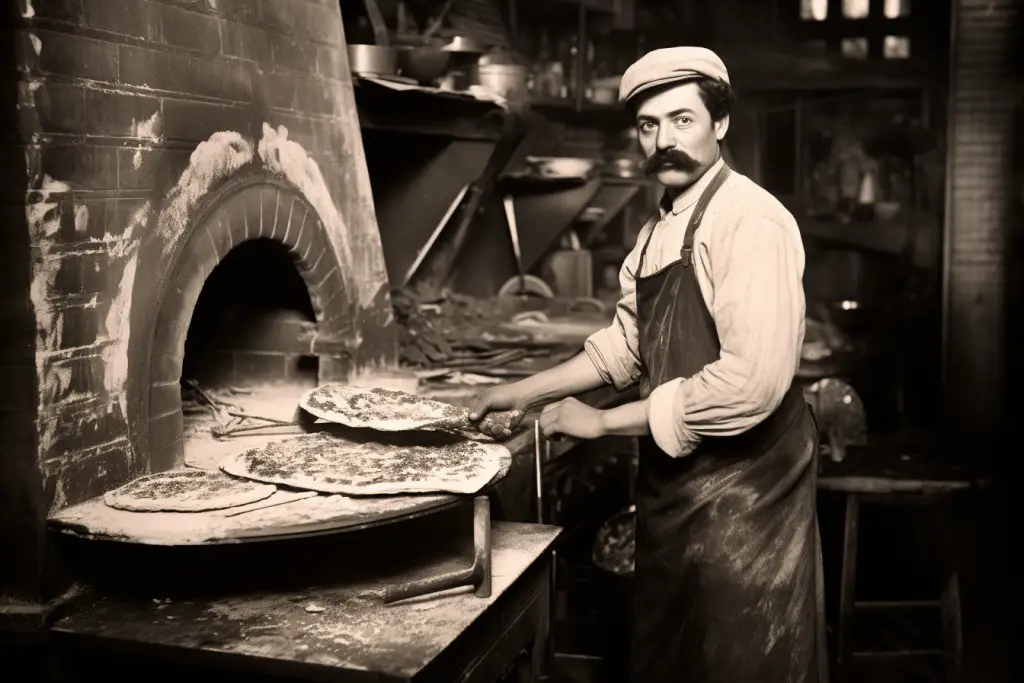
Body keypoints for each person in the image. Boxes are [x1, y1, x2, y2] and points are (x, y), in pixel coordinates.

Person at [469, 47, 828, 682]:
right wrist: (518, 391)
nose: (664, 141)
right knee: (669, 654)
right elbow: (627, 345)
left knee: (740, 657)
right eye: (649, 125)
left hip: (749, 494)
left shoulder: (752, 221)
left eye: (683, 120)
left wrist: (602, 425)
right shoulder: (658, 229)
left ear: (720, 125)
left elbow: (748, 386)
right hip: (672, 487)